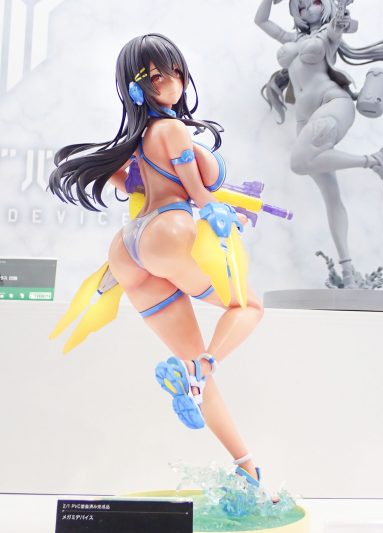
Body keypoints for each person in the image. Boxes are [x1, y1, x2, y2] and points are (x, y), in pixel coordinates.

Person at [49, 33, 266, 489]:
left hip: (128, 249)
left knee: (195, 368)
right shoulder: (172, 129)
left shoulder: (137, 139)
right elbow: (198, 192)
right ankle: (201, 366)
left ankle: (246, 466)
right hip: (168, 233)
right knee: (249, 306)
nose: (172, 82)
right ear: (136, 86)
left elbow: (132, 183)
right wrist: (220, 210)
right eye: (157, 76)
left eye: (176, 72)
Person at [255, 0, 383, 287]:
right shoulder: (293, 38)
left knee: (299, 163)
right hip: (306, 121)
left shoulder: (327, 34)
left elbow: (338, 27)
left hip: (334, 104)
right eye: (301, 6)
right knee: (331, 197)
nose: (307, 9)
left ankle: (373, 160)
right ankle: (348, 271)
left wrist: (339, 19)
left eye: (315, 2)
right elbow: (261, 21)